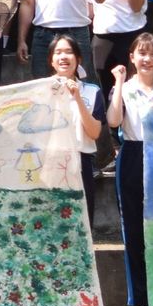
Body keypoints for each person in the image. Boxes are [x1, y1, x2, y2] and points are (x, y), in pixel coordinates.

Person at [104, 32, 153, 306]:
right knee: (133, 232)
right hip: (132, 155)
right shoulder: (125, 88)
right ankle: (142, 303)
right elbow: (112, 121)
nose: (147, 59)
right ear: (132, 57)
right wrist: (119, 82)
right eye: (141, 53)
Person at [44, 34, 108, 204]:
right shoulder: (40, 91)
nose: (63, 56)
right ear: (51, 60)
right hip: (49, 160)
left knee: (84, 219)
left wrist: (78, 97)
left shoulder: (91, 91)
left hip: (82, 160)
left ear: (78, 59)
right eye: (58, 53)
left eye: (69, 52)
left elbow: (94, 132)